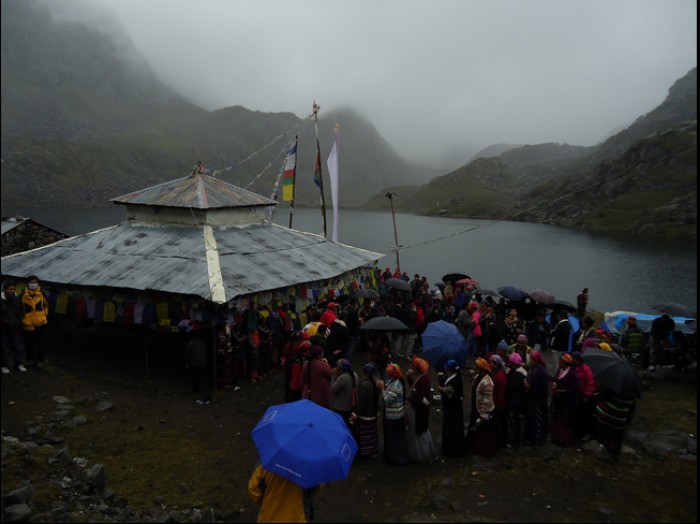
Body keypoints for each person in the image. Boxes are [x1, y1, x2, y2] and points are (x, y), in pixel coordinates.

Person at [248, 461, 322, 523]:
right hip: (297, 518)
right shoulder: (310, 466)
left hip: (268, 518)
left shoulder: (268, 461)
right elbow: (317, 487)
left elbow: (254, 490)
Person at [405, 356, 438, 464]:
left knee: (419, 433)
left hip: (418, 411)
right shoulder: (423, 378)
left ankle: (422, 455)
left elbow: (417, 397)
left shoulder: (422, 380)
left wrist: (408, 398)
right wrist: (409, 378)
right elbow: (415, 391)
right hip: (420, 410)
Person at [376, 363, 409, 465]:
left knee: (394, 438)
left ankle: (395, 457)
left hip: (394, 416)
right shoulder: (393, 381)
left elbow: (387, 400)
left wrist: (382, 389)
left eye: (389, 374)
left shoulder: (396, 385)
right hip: (392, 415)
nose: (387, 375)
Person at [594, 386, 636, 462]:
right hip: (620, 418)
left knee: (606, 433)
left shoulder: (611, 386)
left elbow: (602, 396)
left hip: (608, 414)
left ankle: (606, 451)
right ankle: (615, 452)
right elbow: (632, 406)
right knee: (617, 436)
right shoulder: (632, 390)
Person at [466, 357, 496, 456]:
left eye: (476, 367)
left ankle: (482, 450)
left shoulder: (487, 382)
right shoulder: (479, 376)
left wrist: (483, 414)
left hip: (482, 410)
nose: (475, 369)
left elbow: (487, 399)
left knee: (482, 432)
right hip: (476, 408)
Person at [437, 359, 466, 457]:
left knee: (452, 430)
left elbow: (450, 395)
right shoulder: (455, 377)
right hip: (453, 408)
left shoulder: (454, 381)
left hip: (452, 409)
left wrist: (442, 389)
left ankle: (452, 450)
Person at [549, 353, 580, 447]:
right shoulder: (560, 370)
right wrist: (554, 383)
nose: (558, 362)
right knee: (557, 418)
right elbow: (555, 378)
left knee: (564, 421)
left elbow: (573, 389)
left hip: (567, 402)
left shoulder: (572, 374)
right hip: (559, 400)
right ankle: (556, 437)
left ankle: (563, 440)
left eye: (560, 361)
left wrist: (562, 391)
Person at [350, 363, 380, 458]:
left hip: (365, 414)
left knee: (365, 435)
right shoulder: (377, 382)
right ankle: (373, 449)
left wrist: (355, 414)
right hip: (374, 412)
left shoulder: (363, 384)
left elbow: (361, 402)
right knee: (372, 433)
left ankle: (366, 452)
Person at [20, 275, 49, 368]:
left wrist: (44, 316)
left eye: (35, 282)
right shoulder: (23, 296)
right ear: (27, 283)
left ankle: (40, 360)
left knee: (40, 343)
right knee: (29, 343)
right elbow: (19, 309)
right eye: (31, 282)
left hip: (41, 322)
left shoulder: (42, 294)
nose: (33, 284)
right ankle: (29, 359)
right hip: (28, 324)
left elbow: (46, 306)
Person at [523, 351, 550, 445]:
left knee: (538, 420)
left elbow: (543, 388)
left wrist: (530, 389)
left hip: (539, 400)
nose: (529, 361)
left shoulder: (542, 372)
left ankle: (538, 439)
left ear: (536, 360)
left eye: (531, 359)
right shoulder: (533, 369)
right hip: (532, 399)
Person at [1, 280, 26, 373]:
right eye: (10, 289)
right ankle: (3, 365)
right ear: (5, 290)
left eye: (13, 289)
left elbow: (21, 312)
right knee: (3, 347)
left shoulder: (17, 300)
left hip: (15, 327)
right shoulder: (1, 300)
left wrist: (18, 322)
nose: (12, 291)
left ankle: (18, 364)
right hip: (3, 328)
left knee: (17, 346)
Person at [571, 351, 596, 441]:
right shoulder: (573, 367)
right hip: (576, 393)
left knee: (583, 415)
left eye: (573, 358)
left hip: (584, 395)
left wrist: (587, 395)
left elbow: (590, 383)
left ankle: (583, 433)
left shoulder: (586, 369)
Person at [505, 352, 528, 448]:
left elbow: (510, 386)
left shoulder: (518, 374)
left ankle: (514, 441)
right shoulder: (520, 373)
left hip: (515, 402)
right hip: (517, 401)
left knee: (514, 422)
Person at [330, 358, 358, 430]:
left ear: (341, 368)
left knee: (341, 427)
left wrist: (334, 376)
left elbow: (333, 389)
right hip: (351, 407)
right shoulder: (355, 375)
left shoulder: (342, 378)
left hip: (341, 408)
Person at [186, 330, 211, 405]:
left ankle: (195, 390)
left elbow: (188, 354)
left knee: (194, 377)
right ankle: (206, 394)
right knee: (204, 379)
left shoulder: (191, 343)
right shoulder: (203, 343)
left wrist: (187, 362)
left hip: (194, 363)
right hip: (203, 363)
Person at [489, 354, 508, 450]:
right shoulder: (498, 374)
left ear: (496, 365)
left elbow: (498, 394)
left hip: (497, 405)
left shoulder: (498, 377)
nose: (489, 364)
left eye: (491, 363)